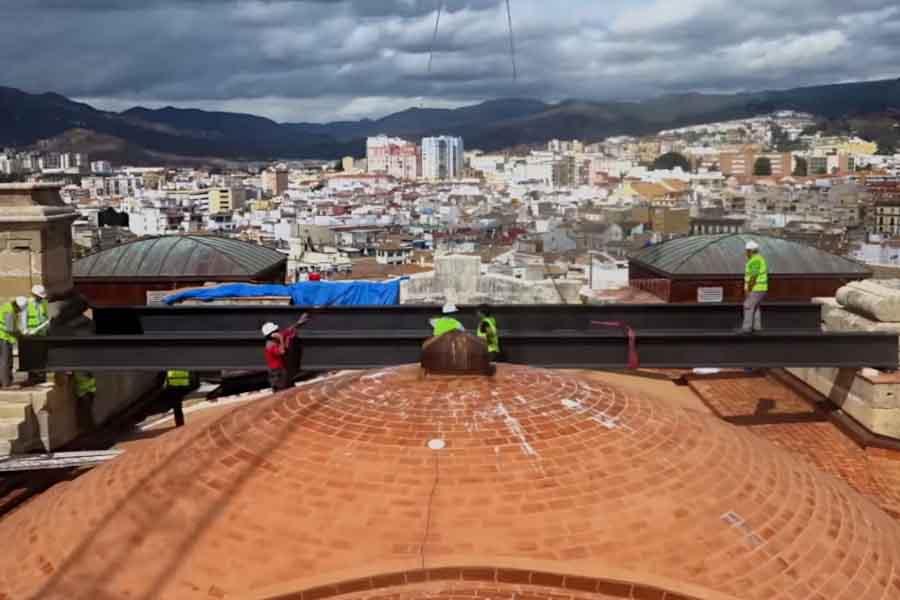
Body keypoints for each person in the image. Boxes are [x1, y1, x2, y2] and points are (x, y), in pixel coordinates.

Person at [263, 314, 310, 391]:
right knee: (282, 393)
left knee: (291, 391)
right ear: (272, 334)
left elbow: (288, 330)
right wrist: (281, 338)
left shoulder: (275, 339)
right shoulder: (270, 346)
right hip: (277, 374)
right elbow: (282, 351)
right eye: (276, 331)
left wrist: (299, 323)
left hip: (283, 371)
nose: (278, 331)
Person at [740, 240, 768, 334]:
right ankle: (757, 327)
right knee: (755, 307)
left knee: (747, 306)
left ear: (751, 251)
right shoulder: (760, 259)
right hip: (761, 288)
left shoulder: (755, 260)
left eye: (747, 251)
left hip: (756, 288)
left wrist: (748, 289)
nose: (746, 253)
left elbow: (753, 276)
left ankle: (746, 328)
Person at [25, 285, 50, 384]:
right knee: (30, 356)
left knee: (41, 356)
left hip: (41, 334)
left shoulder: (43, 303)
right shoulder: (26, 304)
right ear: (34, 295)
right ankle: (32, 377)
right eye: (39, 296)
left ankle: (41, 376)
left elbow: (45, 316)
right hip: (30, 334)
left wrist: (47, 328)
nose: (40, 298)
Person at [0, 297, 26, 388]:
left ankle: (4, 381)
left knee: (4, 360)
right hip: (3, 338)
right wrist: (20, 334)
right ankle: (6, 383)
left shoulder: (7, 306)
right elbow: (10, 329)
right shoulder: (10, 311)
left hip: (3, 337)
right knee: (5, 361)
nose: (19, 311)